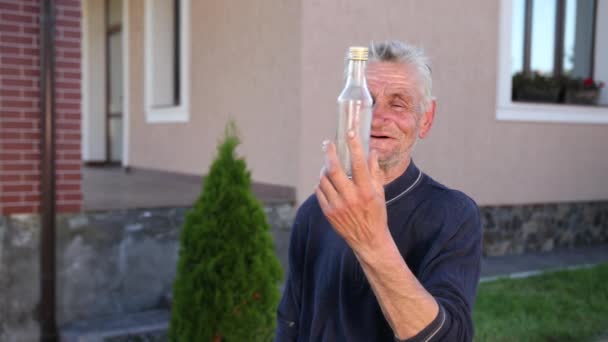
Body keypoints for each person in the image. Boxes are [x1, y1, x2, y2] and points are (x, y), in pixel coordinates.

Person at [275, 40, 482, 342]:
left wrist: (370, 240)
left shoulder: (453, 215)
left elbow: (448, 337)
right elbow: (290, 322)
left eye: (398, 103)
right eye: (365, 102)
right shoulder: (314, 210)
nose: (378, 117)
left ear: (426, 119)